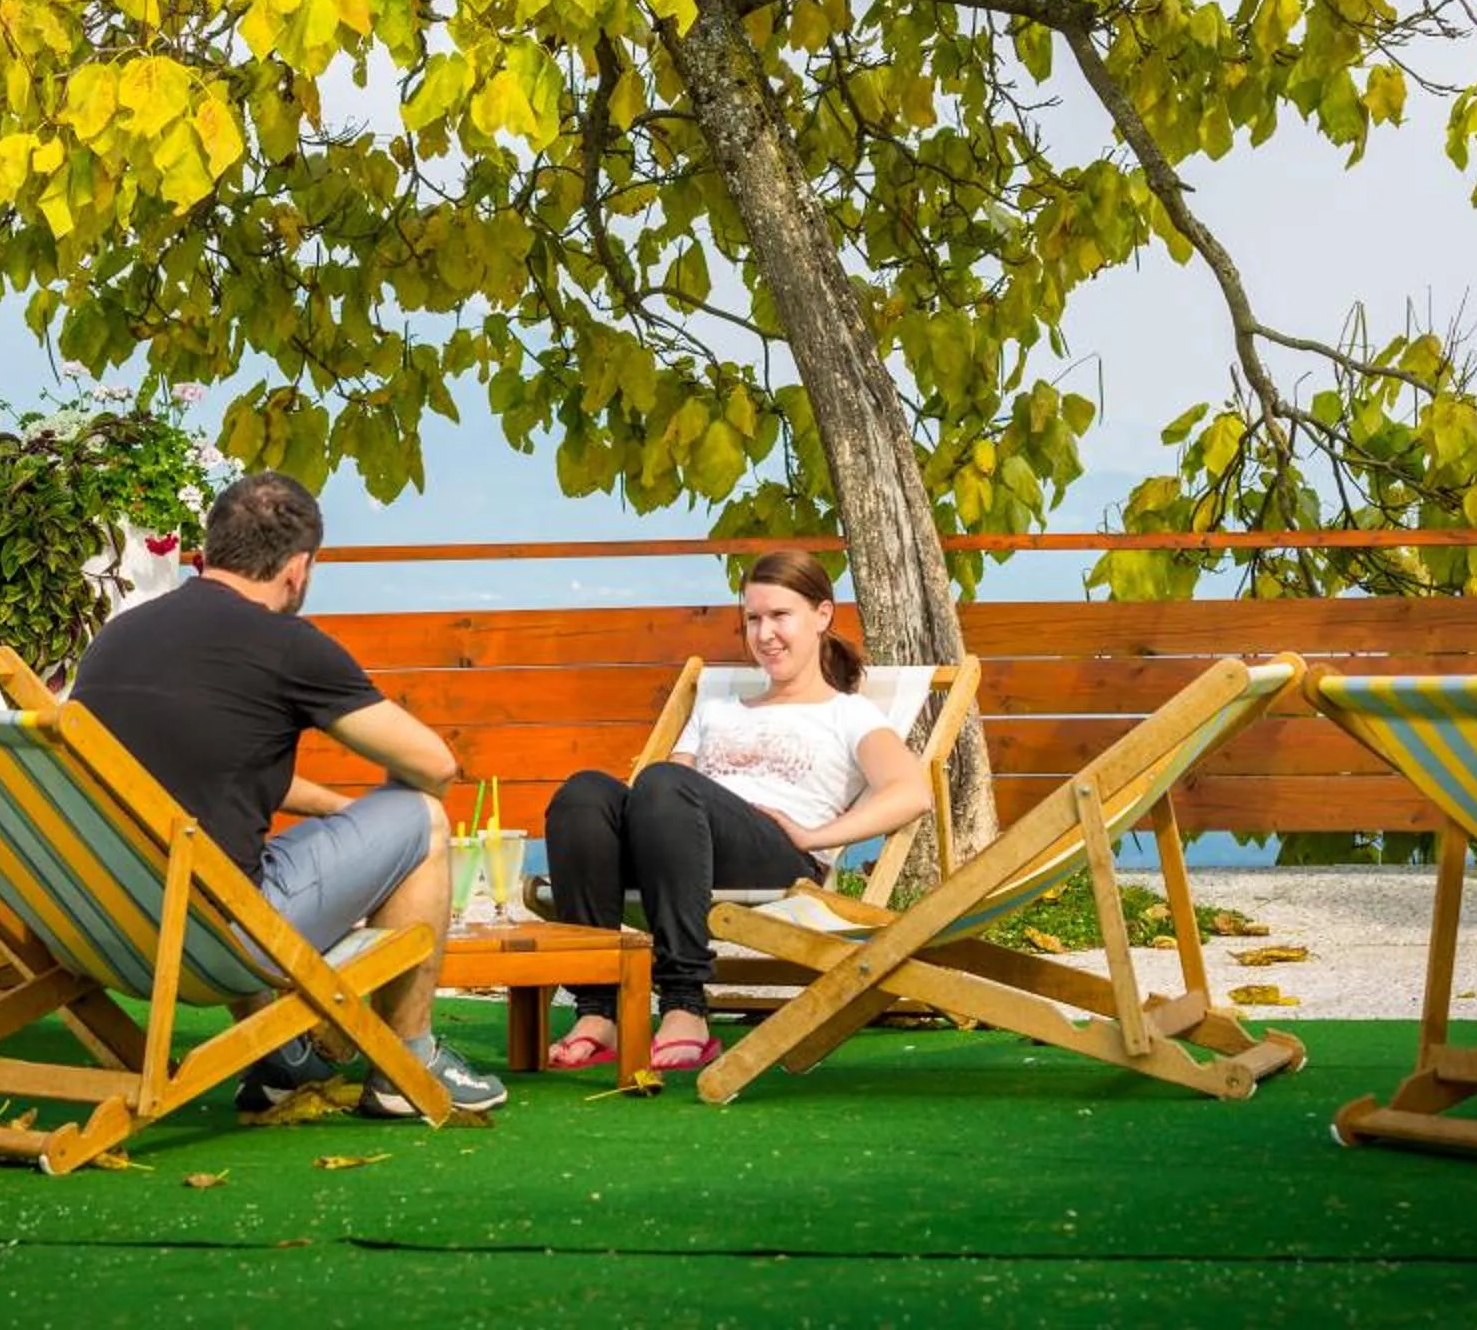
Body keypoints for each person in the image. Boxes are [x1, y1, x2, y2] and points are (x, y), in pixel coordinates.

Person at [71, 470, 506, 1118]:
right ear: (298, 569)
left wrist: (342, 813)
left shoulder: (119, 637)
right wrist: (384, 832)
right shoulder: (287, 645)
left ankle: (282, 1056)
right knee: (423, 818)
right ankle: (405, 1062)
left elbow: (205, 769)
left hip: (104, 926)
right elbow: (435, 765)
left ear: (208, 551)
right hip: (217, 943)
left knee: (221, 852)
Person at [539, 550, 933, 1074]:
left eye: (780, 615)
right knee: (583, 793)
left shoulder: (848, 713)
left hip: (775, 856)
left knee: (663, 780)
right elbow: (655, 803)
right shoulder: (716, 709)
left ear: (822, 615)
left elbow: (911, 792)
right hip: (678, 852)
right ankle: (597, 1010)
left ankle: (684, 1004)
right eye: (753, 619)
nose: (765, 634)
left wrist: (815, 836)